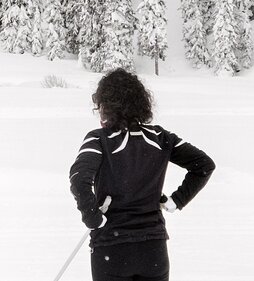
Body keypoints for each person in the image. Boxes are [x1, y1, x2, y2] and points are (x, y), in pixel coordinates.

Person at [68, 69, 216, 281]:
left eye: (100, 105)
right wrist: (176, 200)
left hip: (111, 249)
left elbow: (79, 178)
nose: (99, 111)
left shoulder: (99, 139)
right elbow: (204, 165)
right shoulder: (161, 137)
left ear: (109, 106)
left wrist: (92, 217)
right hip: (153, 250)